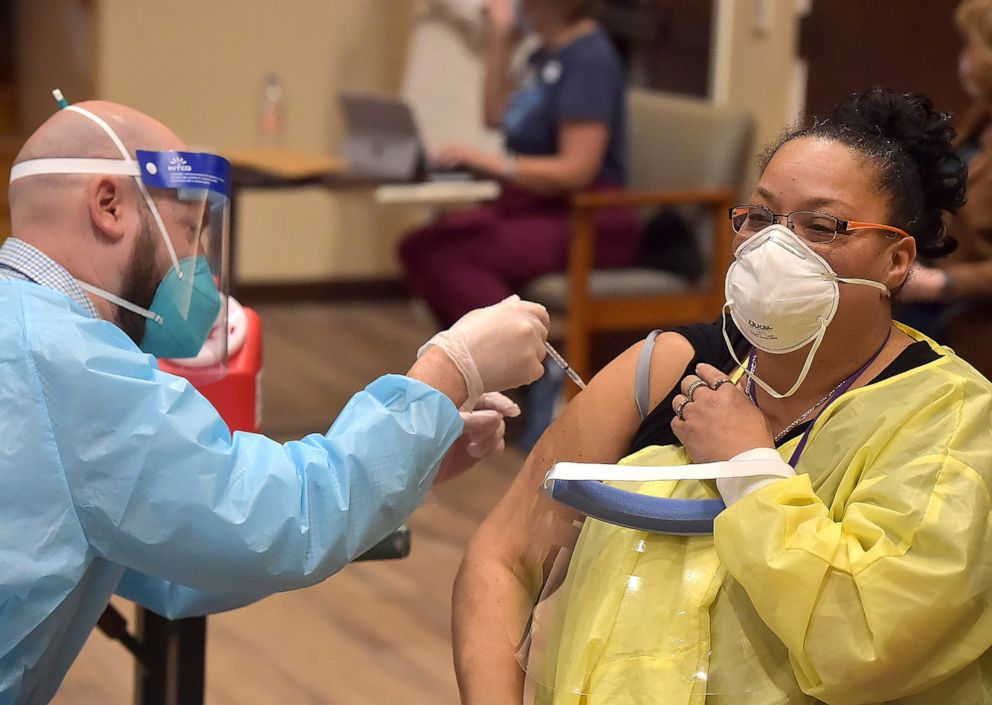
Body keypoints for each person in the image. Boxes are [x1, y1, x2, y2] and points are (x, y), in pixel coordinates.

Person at [0, 99, 551, 704]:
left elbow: (179, 552)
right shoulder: (73, 363)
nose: (197, 262)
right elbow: (275, 522)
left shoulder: (26, 334)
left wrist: (408, 464)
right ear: (110, 206)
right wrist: (452, 368)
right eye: (188, 230)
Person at [452, 87, 992, 704]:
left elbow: (869, 643)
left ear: (897, 260)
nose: (775, 249)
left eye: (821, 226)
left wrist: (747, 462)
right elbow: (503, 557)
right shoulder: (668, 367)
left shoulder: (950, 420)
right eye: (761, 219)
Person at [398, 0, 638, 328]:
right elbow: (495, 114)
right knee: (419, 246)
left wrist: (494, 163)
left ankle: (531, 360)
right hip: (537, 208)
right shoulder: (544, 55)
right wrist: (499, 39)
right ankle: (480, 363)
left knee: (453, 254)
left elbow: (577, 169)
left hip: (588, 219)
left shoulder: (589, 60)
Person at [898, 0, 992, 372]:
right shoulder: (979, 119)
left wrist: (941, 283)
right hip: (927, 299)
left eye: (969, 45)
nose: (964, 60)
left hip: (972, 322)